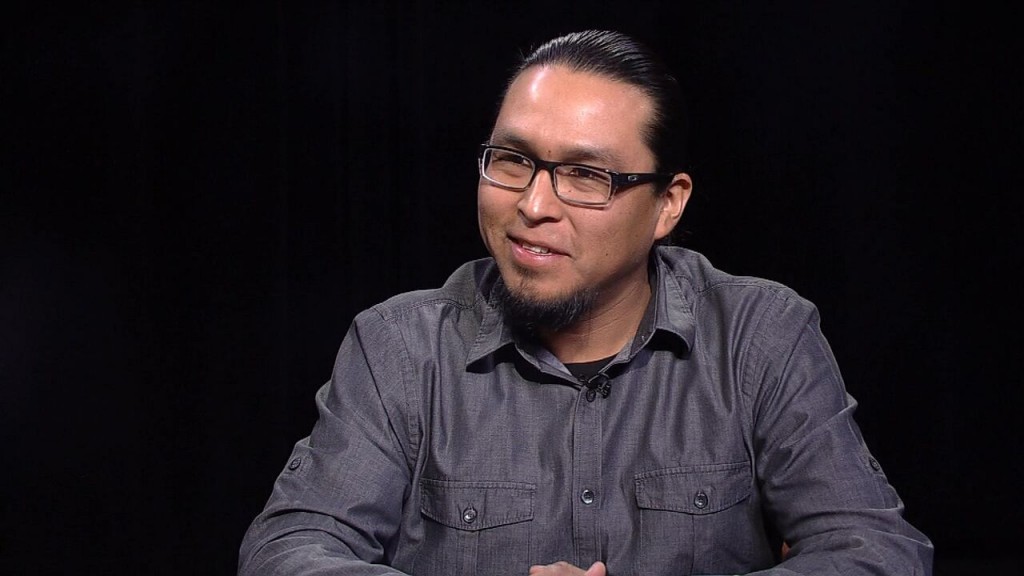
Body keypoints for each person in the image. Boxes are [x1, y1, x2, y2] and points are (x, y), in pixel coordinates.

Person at [238, 29, 933, 576]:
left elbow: (877, 551)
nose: (532, 206)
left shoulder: (760, 336)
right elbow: (289, 550)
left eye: (585, 175)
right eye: (512, 161)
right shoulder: (399, 348)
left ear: (668, 204)